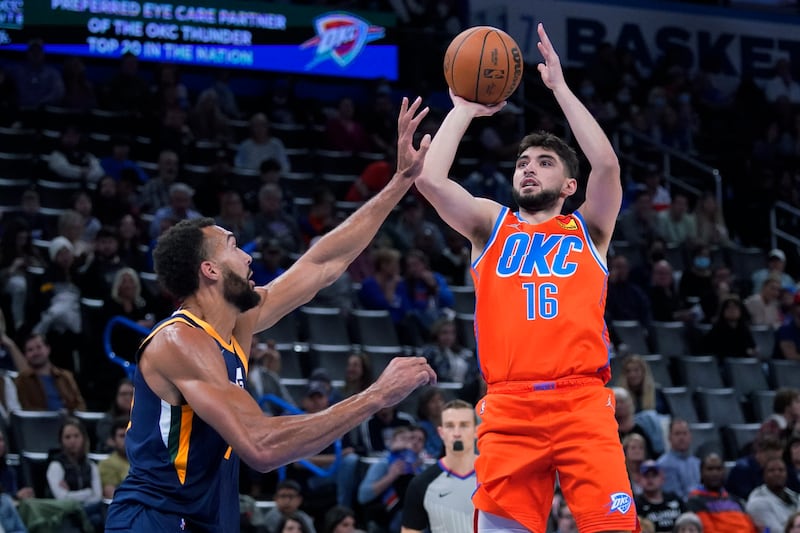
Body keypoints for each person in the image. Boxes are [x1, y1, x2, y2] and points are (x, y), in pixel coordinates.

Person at [104, 96, 436, 532]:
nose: (247, 254)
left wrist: (400, 181)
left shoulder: (237, 320)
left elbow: (321, 265)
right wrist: (375, 396)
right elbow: (260, 446)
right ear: (210, 270)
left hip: (206, 517)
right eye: (233, 245)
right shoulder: (178, 342)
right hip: (154, 519)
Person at [415, 23, 637, 532]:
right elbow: (429, 179)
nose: (528, 169)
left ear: (569, 184)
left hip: (582, 401)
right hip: (509, 405)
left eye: (544, 162)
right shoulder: (490, 225)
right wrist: (465, 108)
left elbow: (606, 165)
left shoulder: (590, 229)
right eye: (522, 162)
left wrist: (559, 88)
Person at [401, 399, 478, 533]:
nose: (457, 433)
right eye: (450, 426)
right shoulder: (421, 483)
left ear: (476, 431)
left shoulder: (495, 479)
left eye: (464, 425)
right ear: (441, 432)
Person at [46, 417, 104, 530]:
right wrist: (88, 492)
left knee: (98, 515)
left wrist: (70, 494)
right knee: (95, 517)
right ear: (61, 441)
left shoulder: (91, 466)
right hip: (62, 514)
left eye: (76, 436)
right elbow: (61, 498)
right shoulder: (56, 465)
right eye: (67, 437)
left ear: (83, 438)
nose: (72, 441)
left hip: (88, 510)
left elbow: (97, 497)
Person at [686, 452, 758, 532]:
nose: (715, 473)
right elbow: (708, 530)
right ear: (701, 473)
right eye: (710, 469)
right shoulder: (695, 501)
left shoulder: (735, 500)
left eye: (718, 469)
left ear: (724, 472)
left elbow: (751, 527)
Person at [14, 333, 86, 412]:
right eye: (30, 350)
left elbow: (80, 405)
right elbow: (26, 408)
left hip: (69, 421)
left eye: (39, 347)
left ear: (48, 349)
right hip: (39, 423)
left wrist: (73, 422)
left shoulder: (65, 376)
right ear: (25, 355)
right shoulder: (22, 380)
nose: (36, 352)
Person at [745, 456, 799, 533]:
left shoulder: (795, 496)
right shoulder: (756, 503)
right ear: (764, 475)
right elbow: (775, 531)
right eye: (771, 470)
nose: (777, 473)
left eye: (781, 470)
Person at [634, 460, 685, 532]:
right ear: (639, 479)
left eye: (654, 475)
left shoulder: (675, 499)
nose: (650, 479)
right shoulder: (636, 505)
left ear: (662, 478)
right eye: (646, 476)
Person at [657, 419, 701, 502]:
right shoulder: (663, 464)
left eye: (684, 433)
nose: (681, 438)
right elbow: (674, 497)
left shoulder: (697, 462)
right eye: (677, 434)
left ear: (690, 437)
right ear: (669, 438)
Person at [98, 417, 130, 499]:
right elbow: (111, 496)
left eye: (129, 434)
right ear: (113, 440)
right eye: (122, 436)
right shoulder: (106, 464)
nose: (126, 439)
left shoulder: (145, 461)